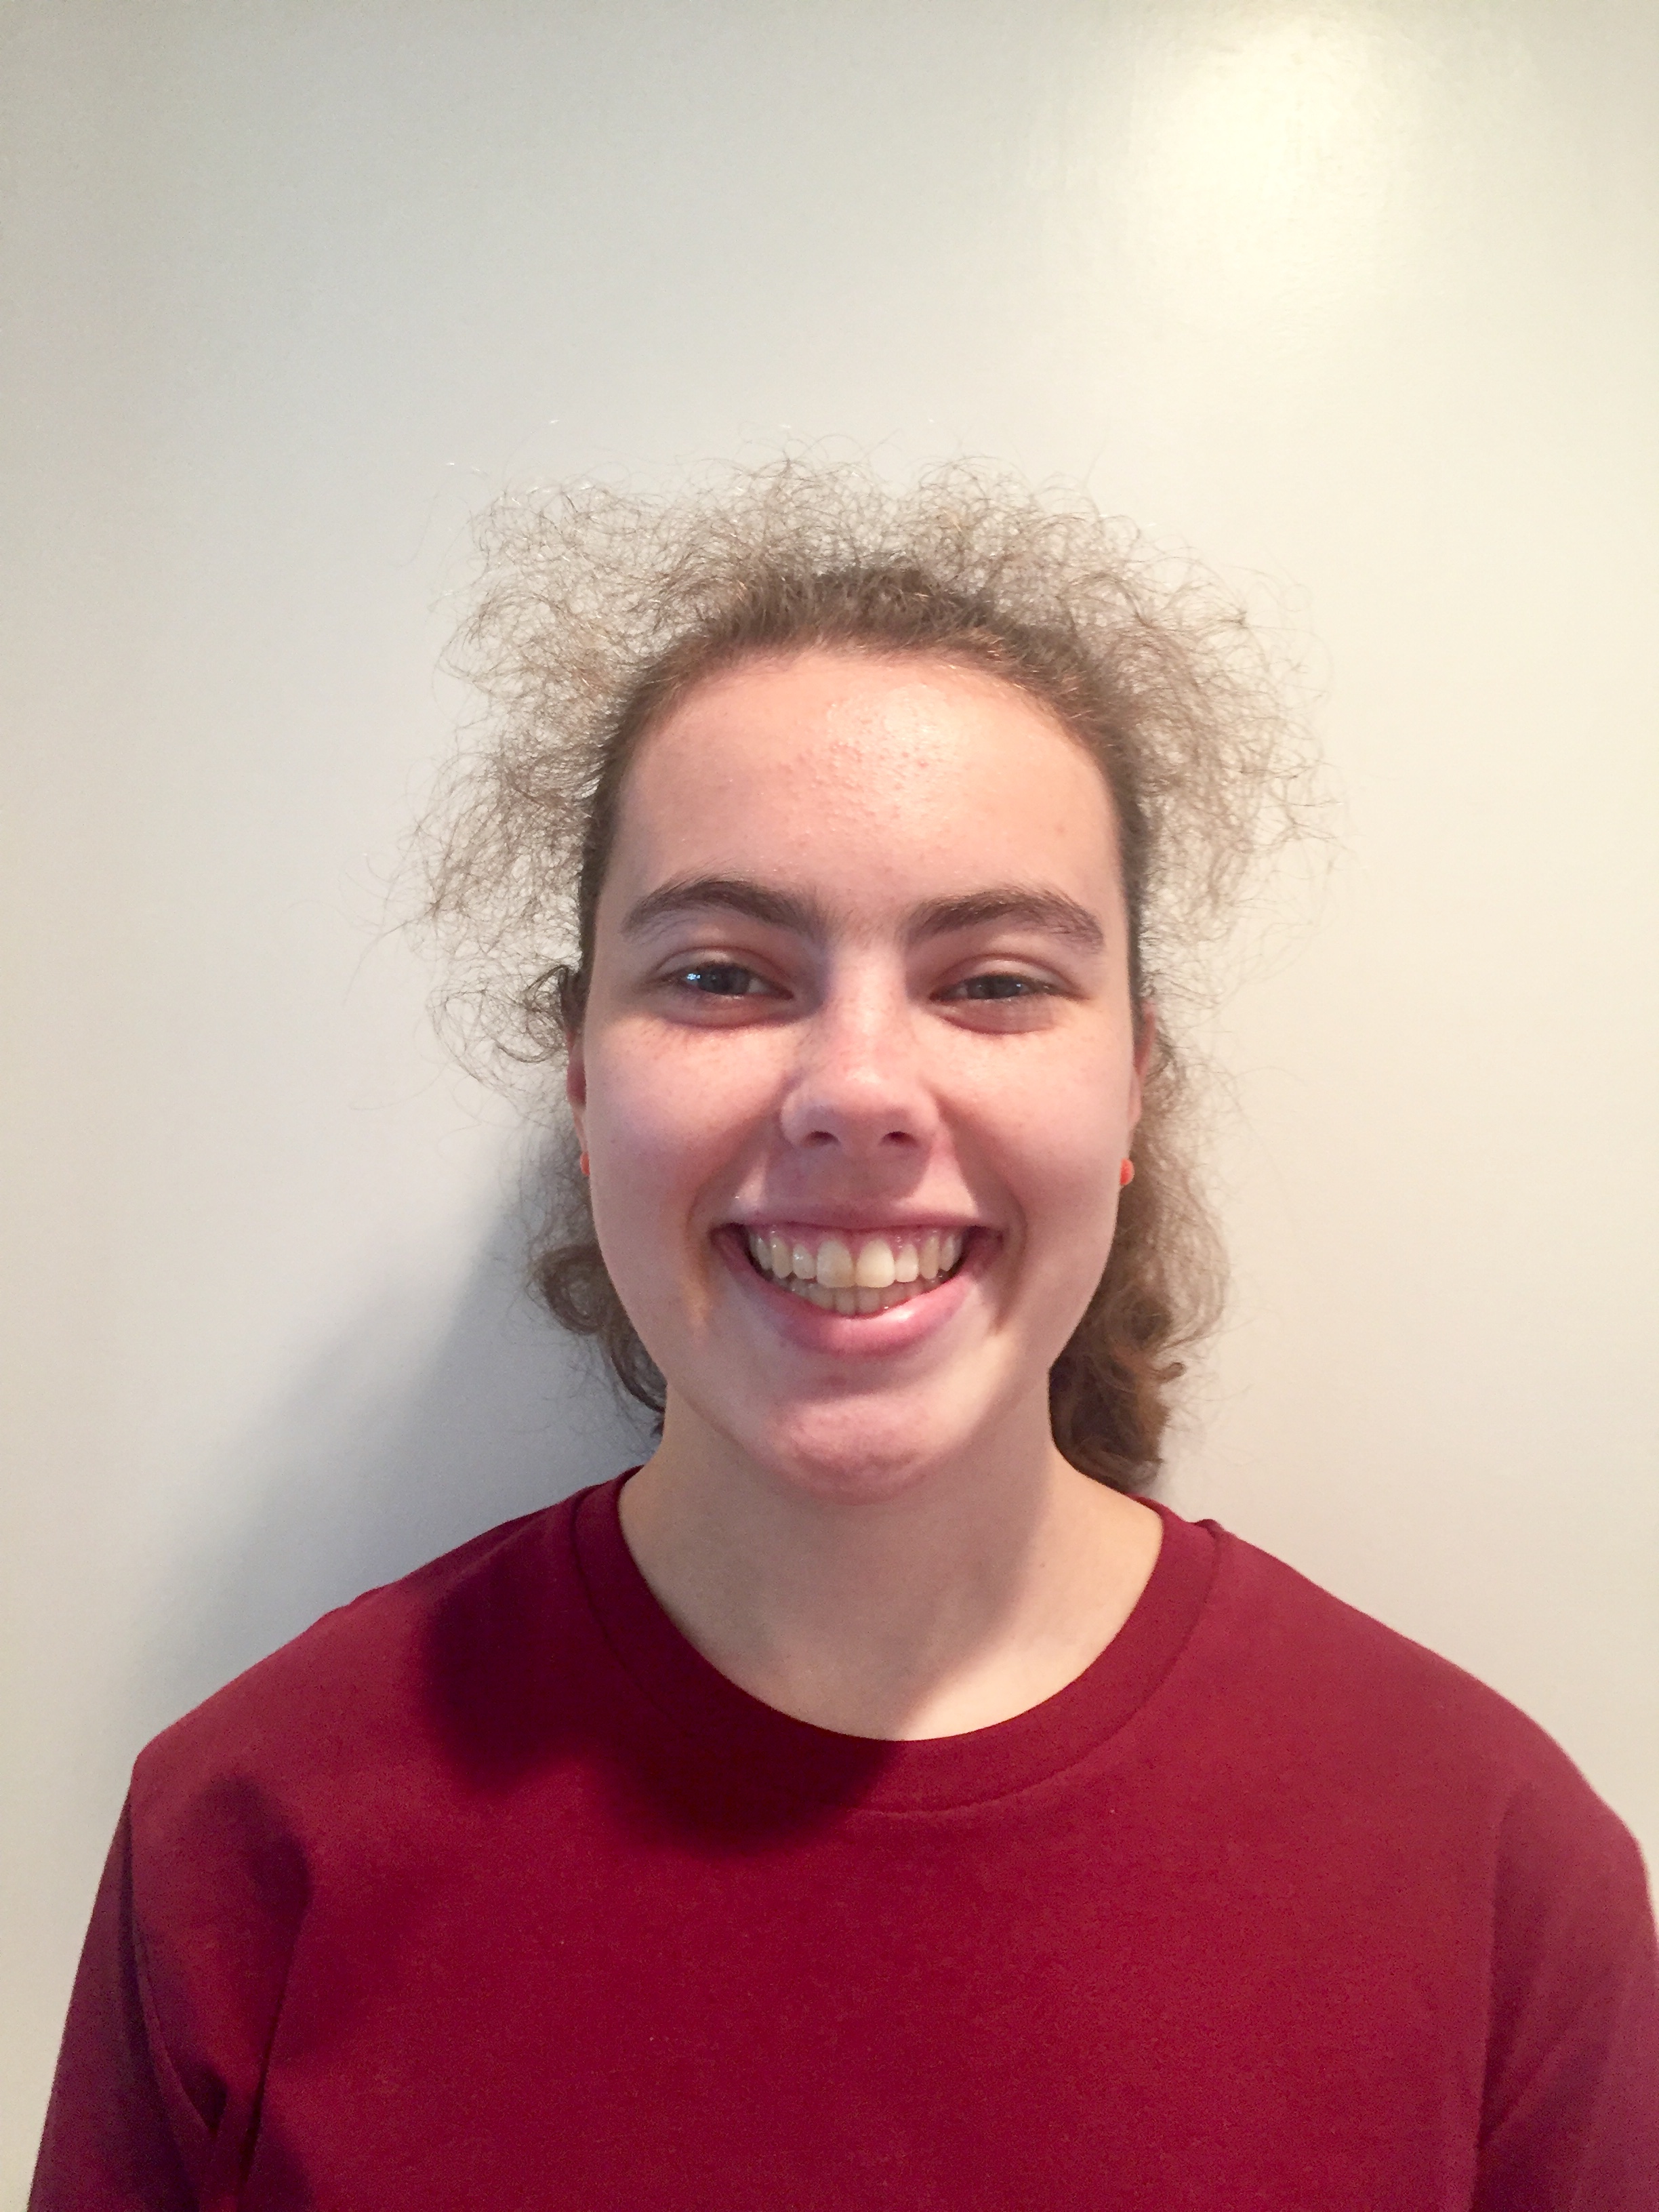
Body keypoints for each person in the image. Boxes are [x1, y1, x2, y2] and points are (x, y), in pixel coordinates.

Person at [32, 462, 1658, 2208]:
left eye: (996, 980)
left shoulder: (1492, 1865)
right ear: (582, 1082)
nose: (859, 1088)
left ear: (1134, 1083)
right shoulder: (253, 1832)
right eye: (723, 974)